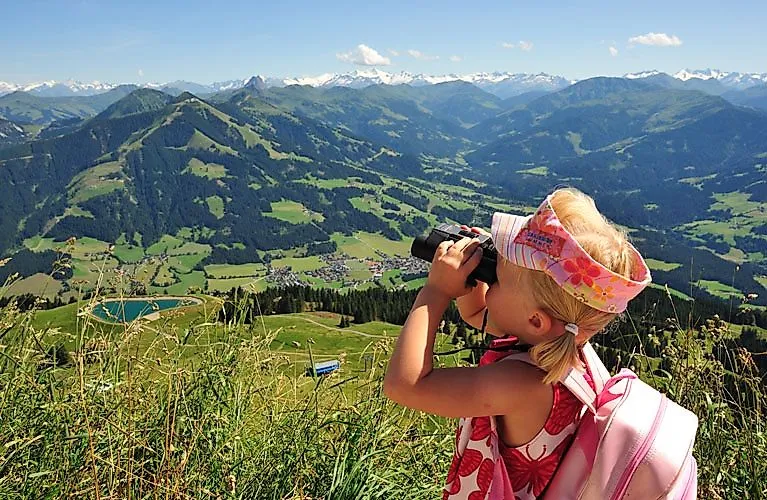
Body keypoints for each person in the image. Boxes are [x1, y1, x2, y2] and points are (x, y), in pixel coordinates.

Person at [383, 187, 652, 499]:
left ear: (536, 320)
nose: (491, 280)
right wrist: (477, 270)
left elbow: (404, 386)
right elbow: (478, 313)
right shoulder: (563, 345)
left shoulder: (522, 383)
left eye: (498, 278)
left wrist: (436, 292)